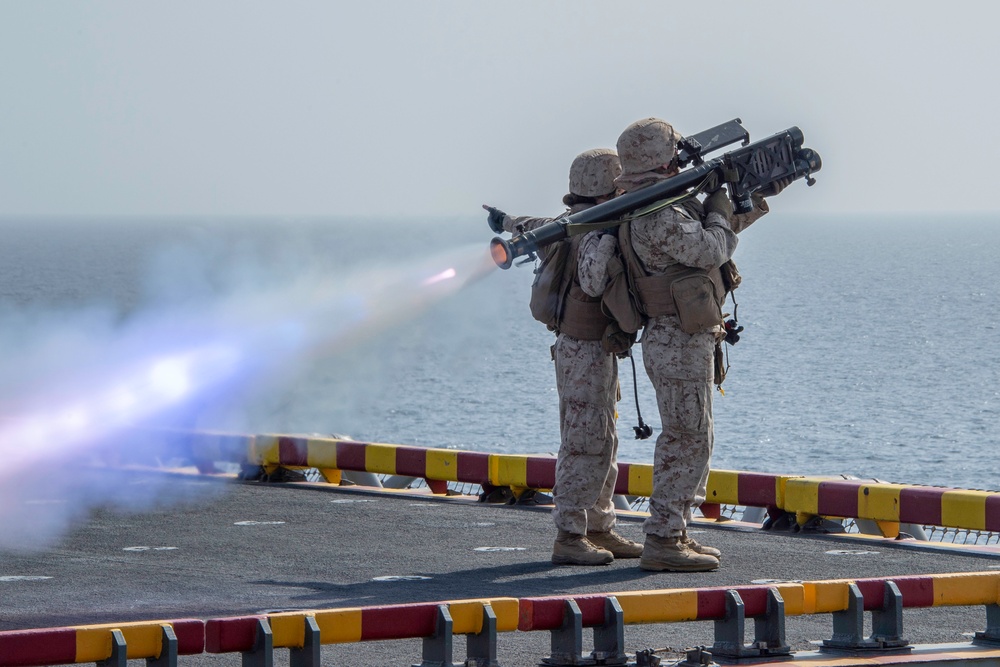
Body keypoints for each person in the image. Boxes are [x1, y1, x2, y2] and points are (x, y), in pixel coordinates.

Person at [593, 117, 771, 572]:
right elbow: (712, 249)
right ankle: (664, 540)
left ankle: (677, 532)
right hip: (676, 340)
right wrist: (717, 206)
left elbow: (711, 239)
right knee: (684, 439)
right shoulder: (657, 213)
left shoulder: (655, 204)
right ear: (661, 156)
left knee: (695, 437)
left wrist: (750, 198)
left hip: (684, 338)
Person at [483, 148, 643, 566]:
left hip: (590, 349)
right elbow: (592, 282)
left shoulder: (561, 225)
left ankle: (599, 526)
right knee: (584, 442)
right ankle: (570, 535)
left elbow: (527, 225)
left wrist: (504, 220)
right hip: (585, 349)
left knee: (603, 437)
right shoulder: (595, 231)